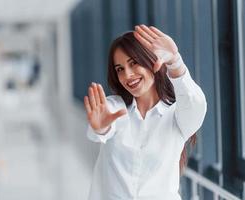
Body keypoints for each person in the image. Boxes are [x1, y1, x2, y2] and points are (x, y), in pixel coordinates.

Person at [83, 24, 207, 200]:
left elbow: (196, 104)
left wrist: (175, 62)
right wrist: (101, 128)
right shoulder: (116, 107)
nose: (128, 75)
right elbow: (102, 127)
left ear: (151, 61)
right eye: (120, 69)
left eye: (134, 63)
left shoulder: (176, 116)